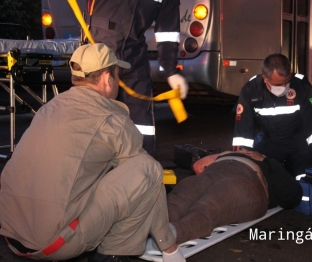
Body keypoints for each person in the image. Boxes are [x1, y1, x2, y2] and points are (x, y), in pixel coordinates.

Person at [0, 43, 184, 262]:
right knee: (147, 168)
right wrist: (168, 244)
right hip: (51, 245)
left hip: (12, 237)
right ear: (107, 78)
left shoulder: (49, 107)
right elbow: (144, 178)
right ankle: (118, 256)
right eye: (117, 74)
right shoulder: (111, 119)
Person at [88, 0, 189, 156]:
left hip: (134, 56)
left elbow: (167, 30)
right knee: (96, 118)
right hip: (100, 52)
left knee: (141, 122)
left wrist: (170, 71)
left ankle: (141, 169)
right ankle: (93, 171)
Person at [167, 149, 303, 244]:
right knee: (181, 197)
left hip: (245, 180)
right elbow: (198, 166)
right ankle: (153, 225)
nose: (247, 150)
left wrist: (268, 161)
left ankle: (172, 234)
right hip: (213, 172)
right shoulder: (228, 154)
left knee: (210, 205)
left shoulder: (271, 166)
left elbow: (293, 196)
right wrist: (223, 154)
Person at [232, 53, 312, 177]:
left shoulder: (301, 85)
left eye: (287, 82)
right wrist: (241, 161)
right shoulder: (251, 90)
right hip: (270, 142)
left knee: (306, 180)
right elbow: (242, 132)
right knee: (257, 176)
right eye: (278, 85)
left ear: (290, 71)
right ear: (265, 78)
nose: (284, 88)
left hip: (299, 143)